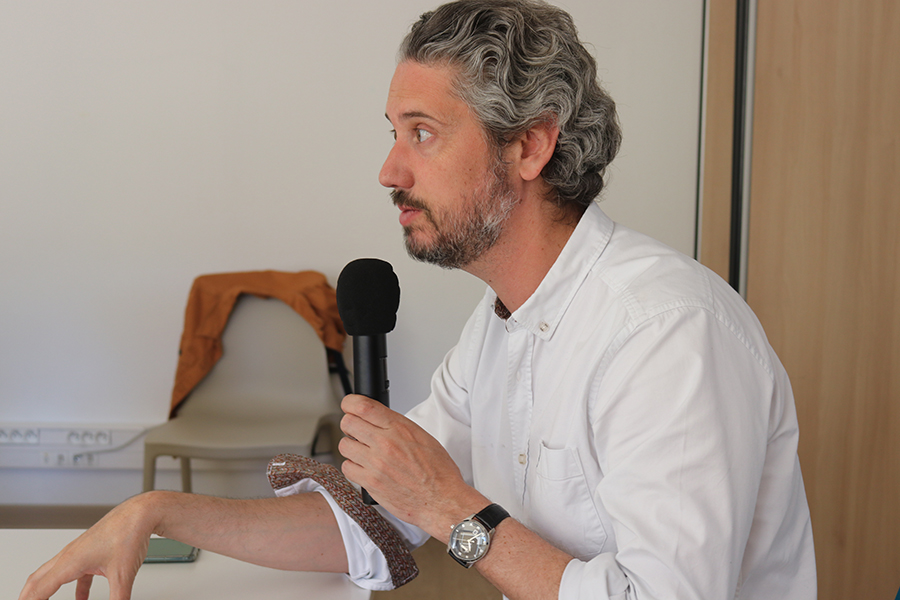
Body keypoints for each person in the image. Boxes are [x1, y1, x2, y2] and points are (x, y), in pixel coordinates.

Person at [19, 1, 817, 599]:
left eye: (422, 133)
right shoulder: (498, 327)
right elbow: (377, 519)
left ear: (530, 145)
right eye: (393, 132)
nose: (390, 171)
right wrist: (160, 511)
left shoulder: (667, 335)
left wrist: (450, 507)